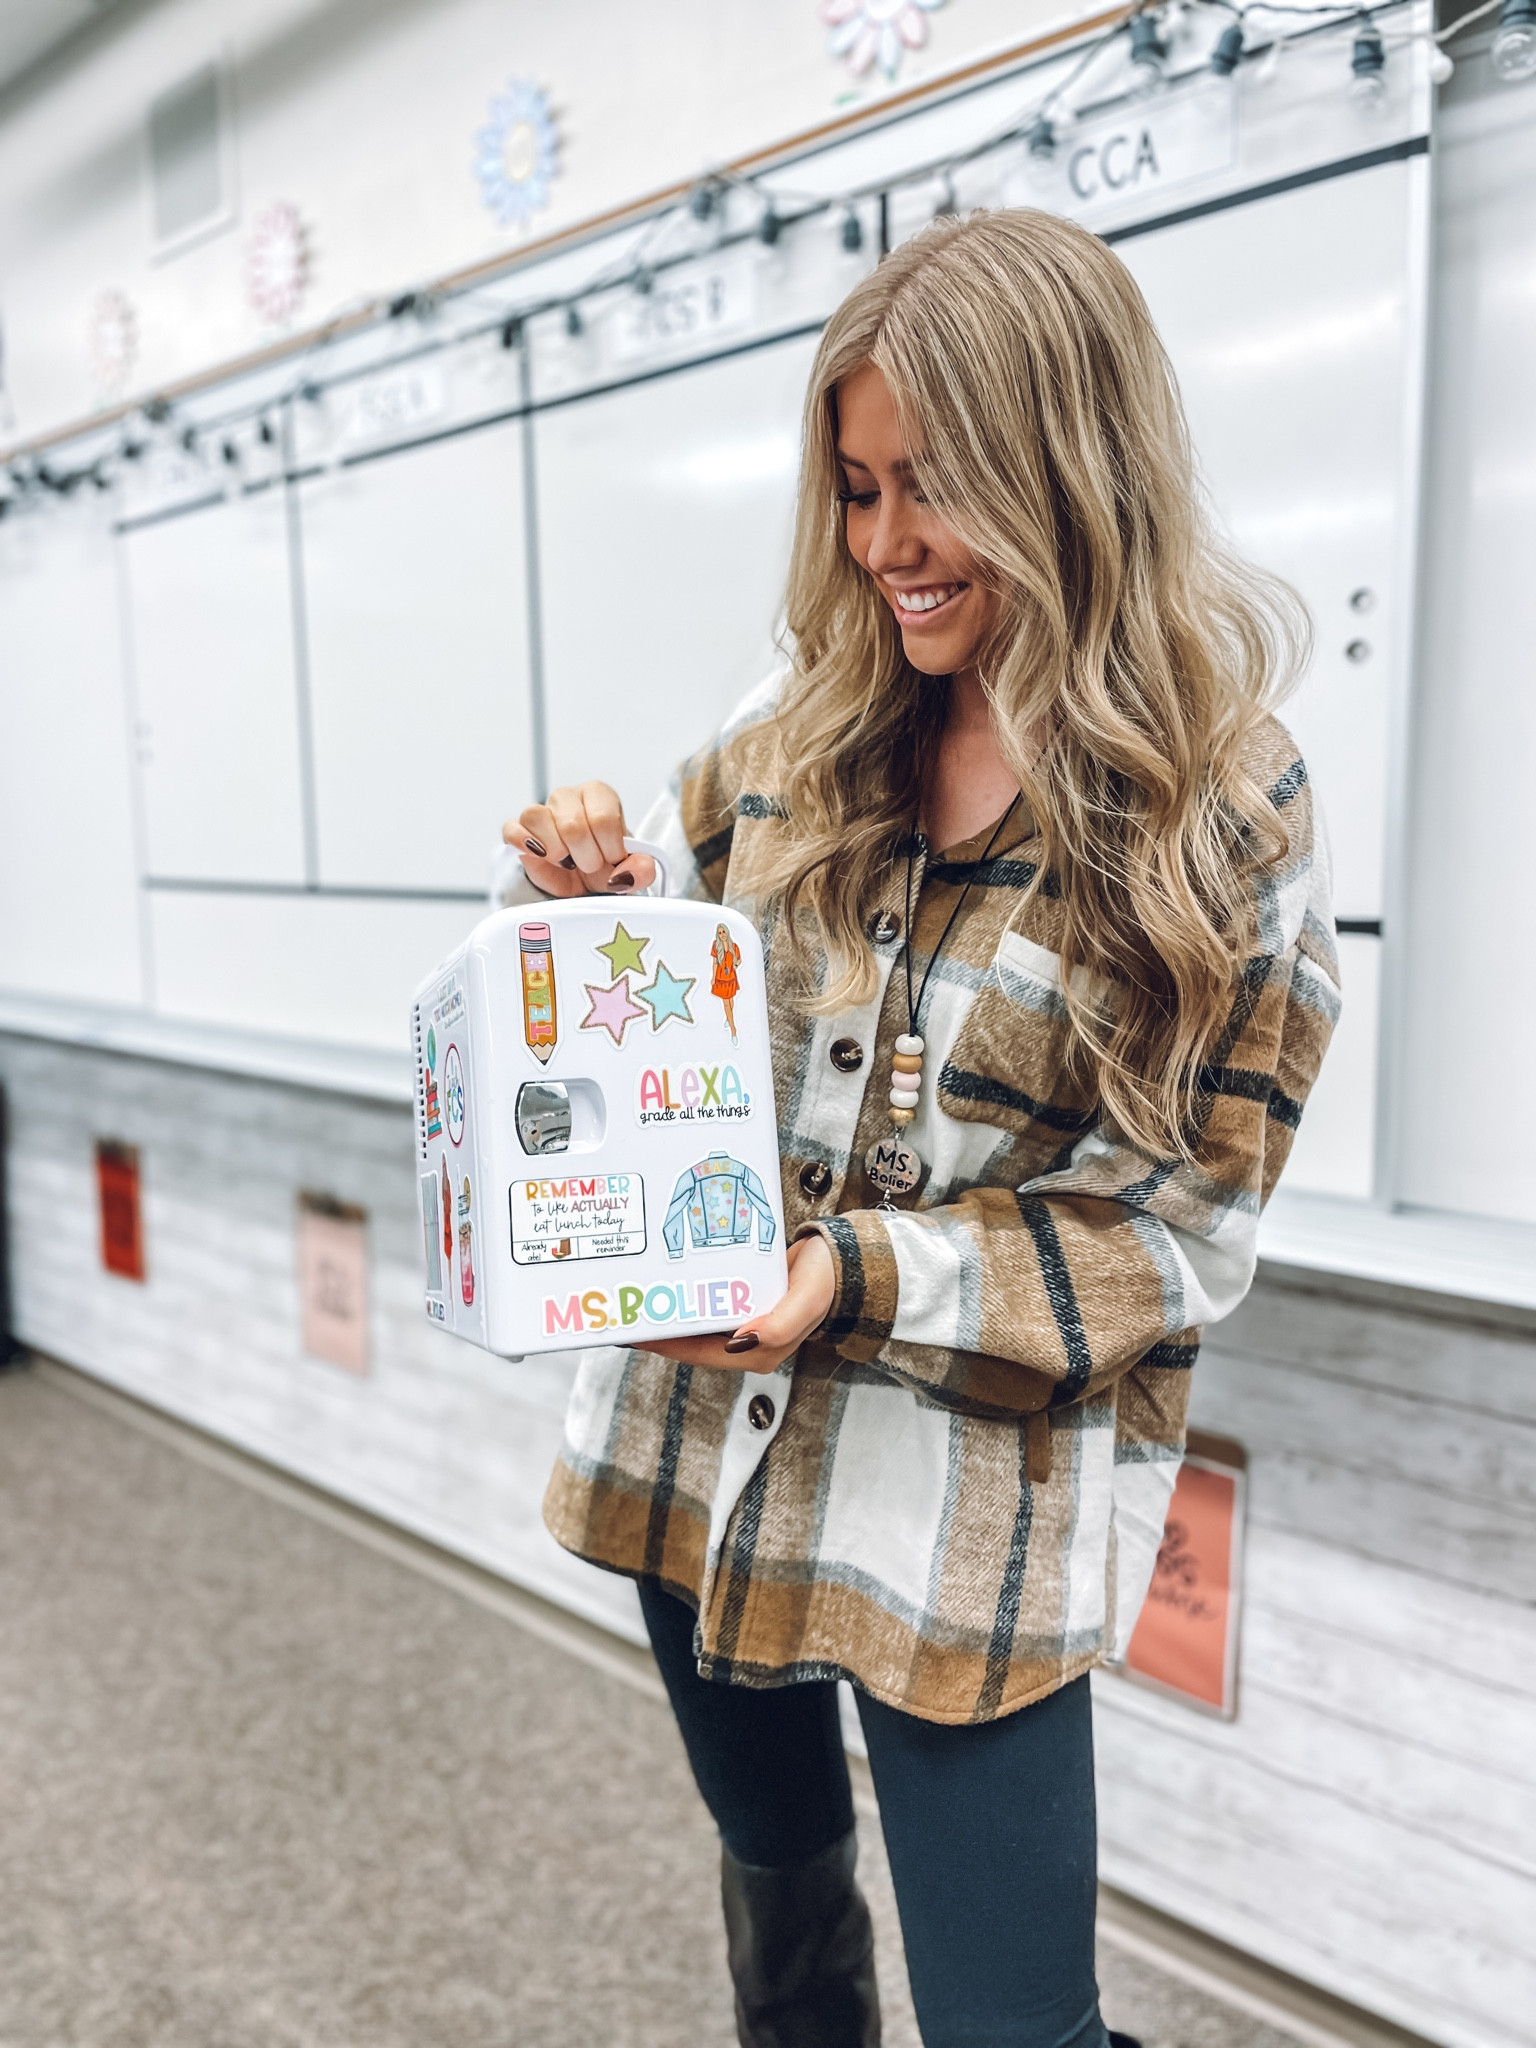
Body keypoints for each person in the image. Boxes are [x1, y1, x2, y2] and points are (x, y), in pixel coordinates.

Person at [503, 209, 1339, 2048]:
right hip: (700, 1432)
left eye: (931, 489)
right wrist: (599, 905)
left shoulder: (1225, 812)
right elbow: (669, 1038)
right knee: (783, 1905)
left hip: (969, 1504)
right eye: (858, 489)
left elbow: (1178, 1232)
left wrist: (853, 1277)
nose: (884, 546)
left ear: (1064, 466)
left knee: (1014, 2026)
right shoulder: (789, 729)